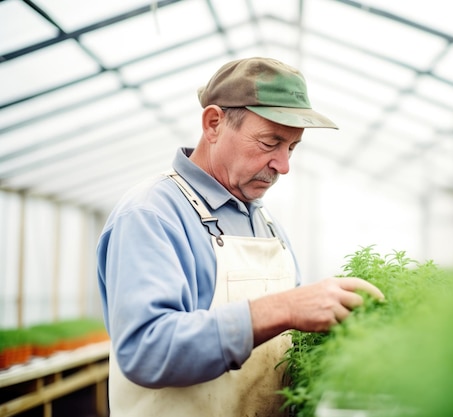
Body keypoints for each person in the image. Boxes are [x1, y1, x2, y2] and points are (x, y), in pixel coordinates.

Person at [96, 57, 384, 417]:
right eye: (269, 143)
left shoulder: (264, 223)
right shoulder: (152, 214)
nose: (284, 165)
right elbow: (145, 350)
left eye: (292, 148)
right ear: (213, 123)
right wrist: (287, 307)